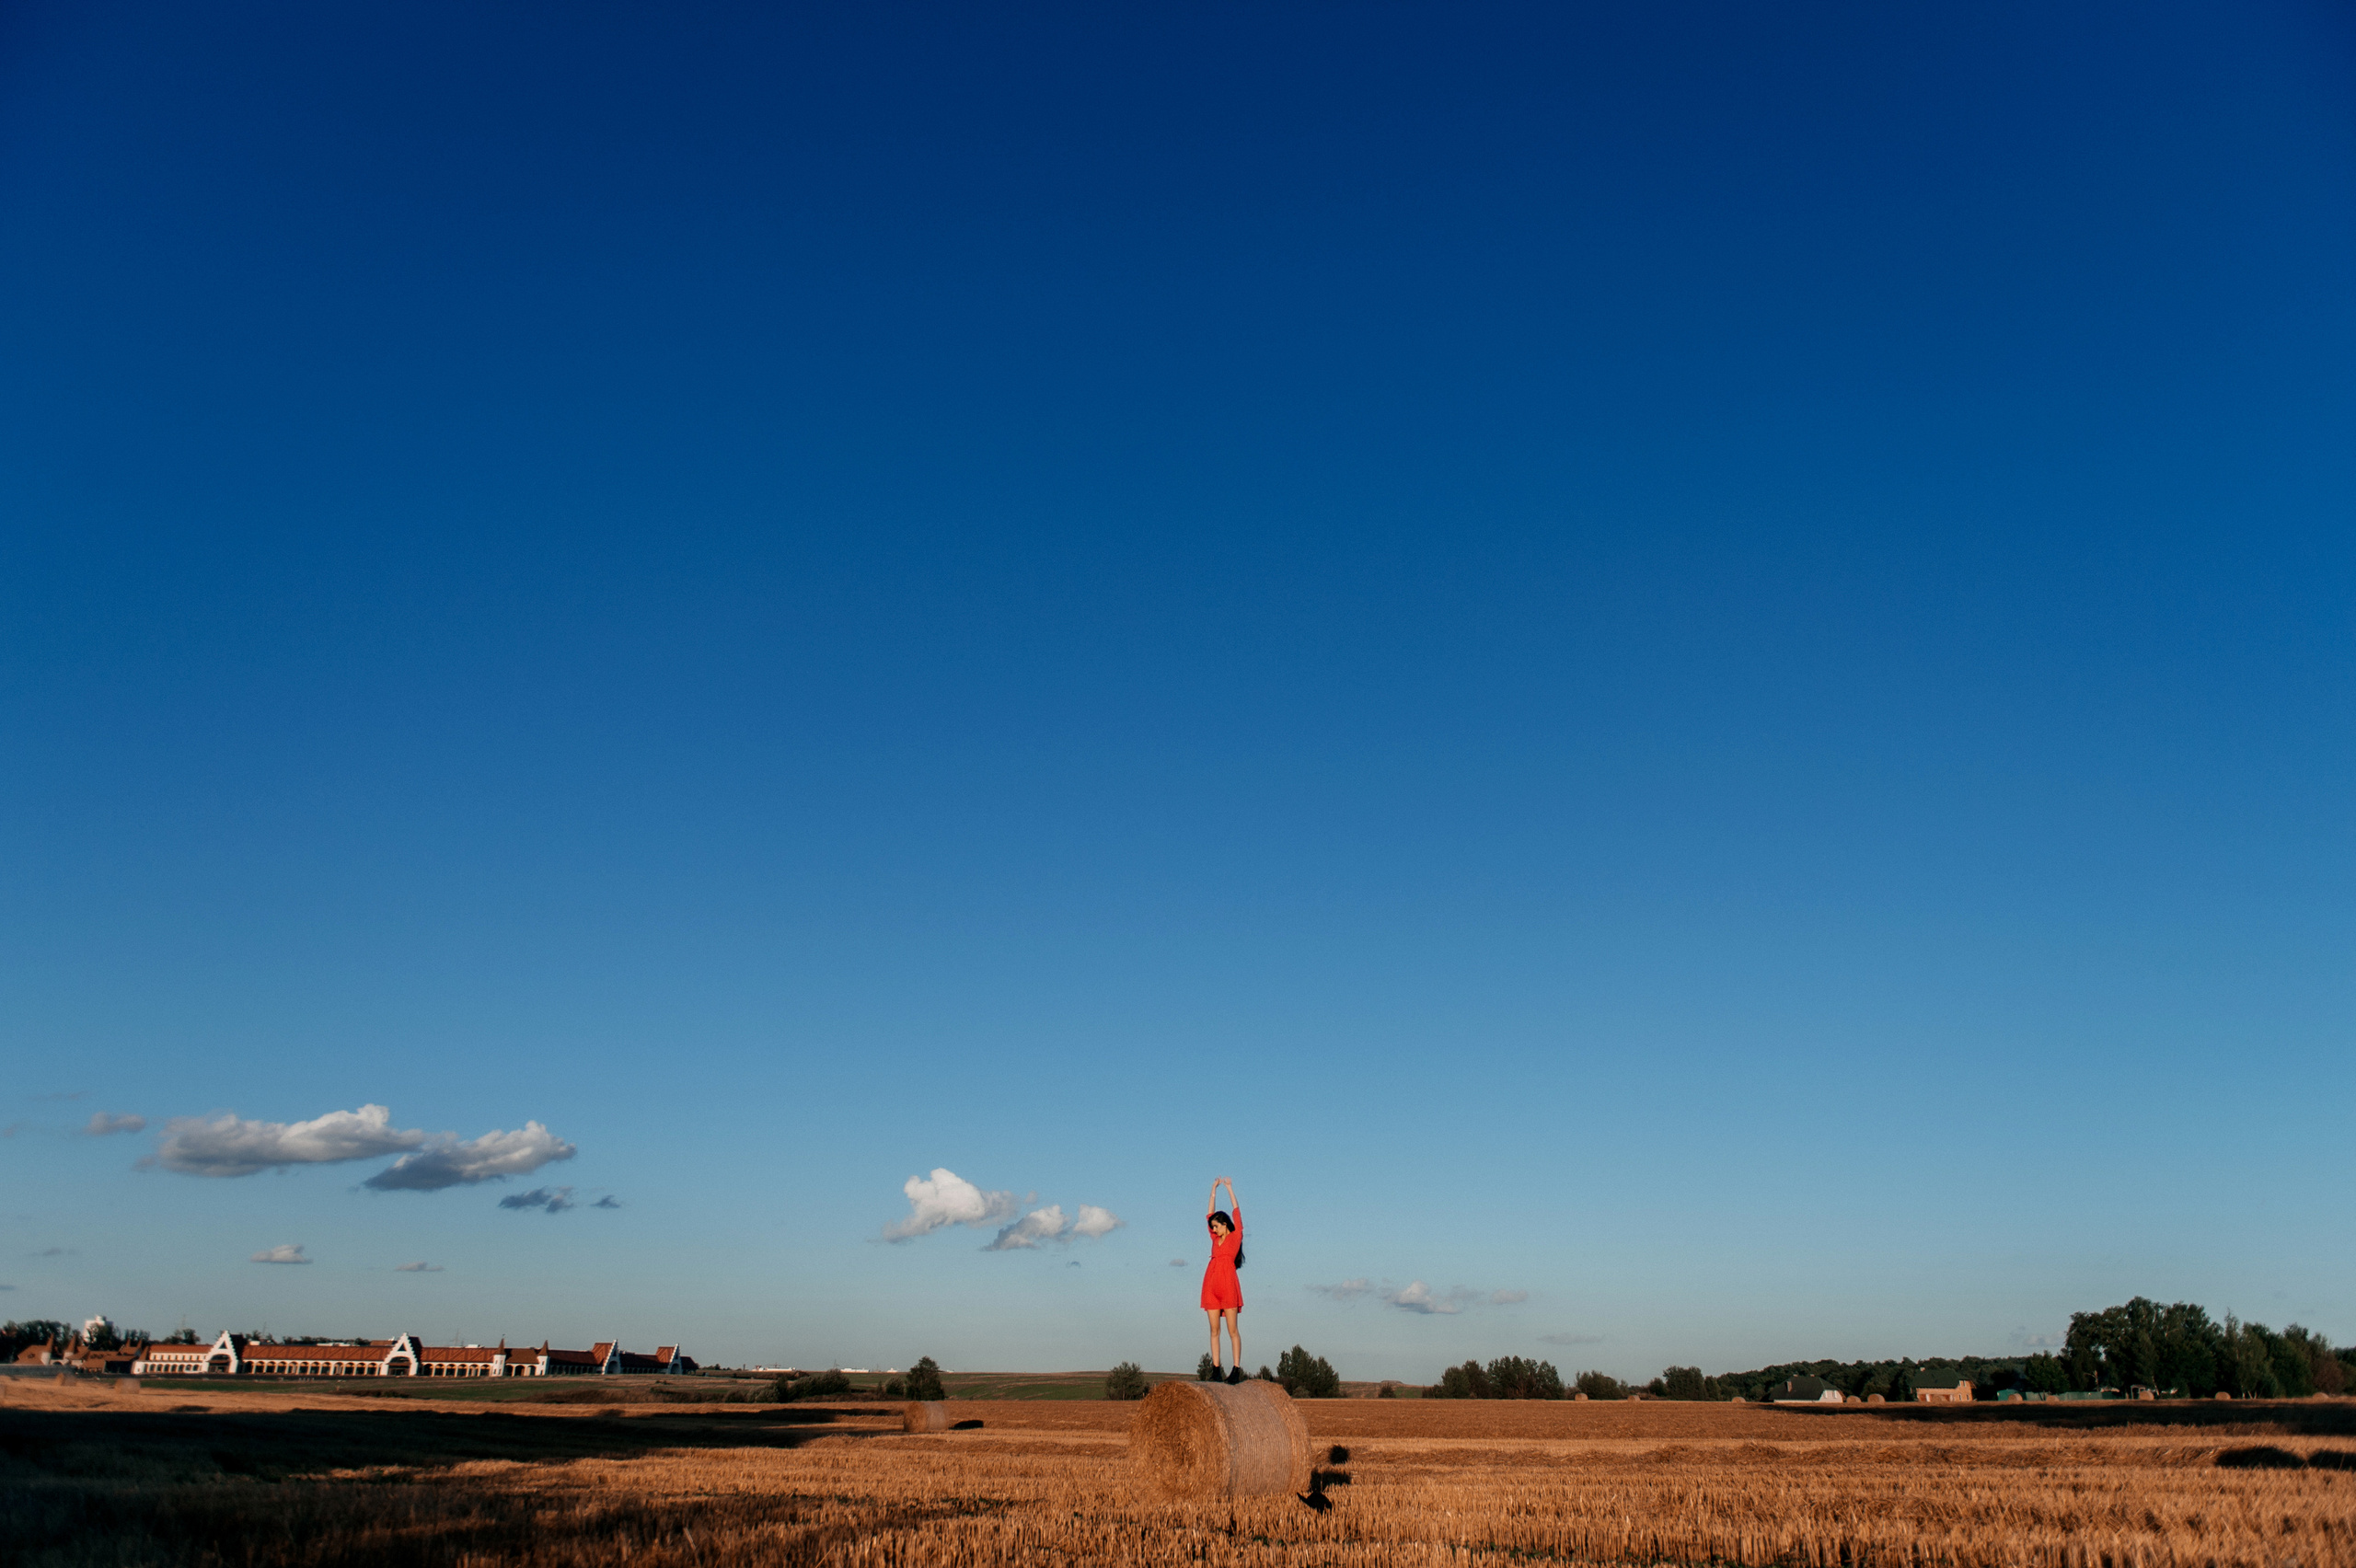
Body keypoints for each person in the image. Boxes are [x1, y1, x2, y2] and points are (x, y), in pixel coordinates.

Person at [1201, 1175, 1245, 1383]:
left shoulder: (1236, 1237)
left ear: (1224, 1224)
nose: (1213, 1230)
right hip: (1211, 1286)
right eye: (1212, 1227)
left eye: (1216, 1226)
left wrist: (1228, 1188)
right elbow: (1209, 1213)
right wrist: (1213, 1190)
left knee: (1232, 1330)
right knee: (1214, 1330)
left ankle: (1236, 1370)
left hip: (1228, 1287)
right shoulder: (1214, 1238)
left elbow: (1236, 1212)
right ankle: (1216, 1369)